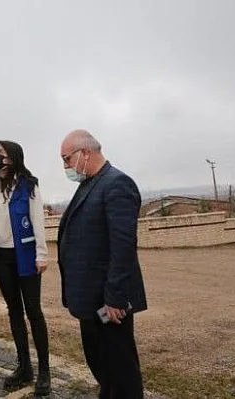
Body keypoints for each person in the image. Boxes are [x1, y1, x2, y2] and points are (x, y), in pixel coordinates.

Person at [57, 130, 147, 398]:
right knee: (102, 365)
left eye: (66, 158)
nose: (65, 166)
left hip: (109, 302)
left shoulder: (117, 184)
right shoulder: (89, 184)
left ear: (85, 153)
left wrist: (116, 298)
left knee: (121, 370)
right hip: (90, 300)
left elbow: (122, 247)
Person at [0, 141, 51, 395]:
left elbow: (38, 220)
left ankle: (44, 371)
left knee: (33, 311)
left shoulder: (28, 184)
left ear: (11, 159)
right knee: (14, 311)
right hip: (1, 258)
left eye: (0, 152)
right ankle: (24, 367)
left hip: (26, 256)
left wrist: (42, 254)